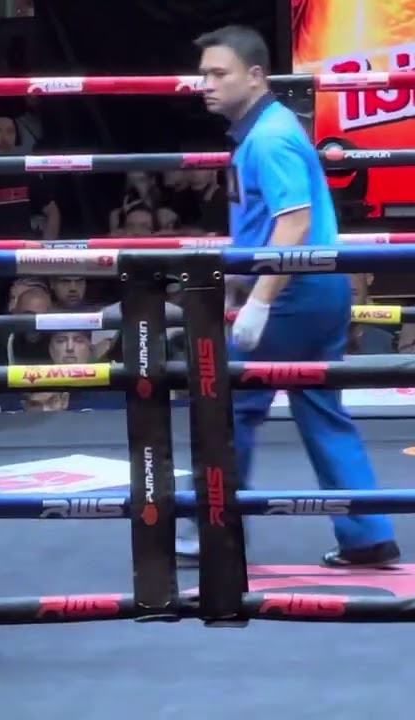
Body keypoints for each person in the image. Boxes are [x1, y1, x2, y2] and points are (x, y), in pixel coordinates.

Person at [180, 25, 400, 566]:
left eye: (219, 74)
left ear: (255, 76)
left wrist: (258, 301)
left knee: (228, 402)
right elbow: (270, 222)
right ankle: (368, 533)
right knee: (320, 408)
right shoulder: (264, 130)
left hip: (293, 291)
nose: (206, 84)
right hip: (314, 287)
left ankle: (214, 530)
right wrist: (241, 278)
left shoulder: (270, 138)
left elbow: (294, 223)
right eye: (204, 74)